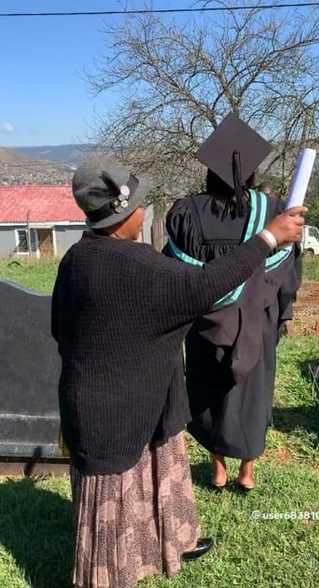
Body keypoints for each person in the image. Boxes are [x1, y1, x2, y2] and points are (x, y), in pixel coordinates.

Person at [52, 157, 304, 587]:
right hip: (114, 409)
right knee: (111, 498)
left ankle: (172, 542)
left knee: (160, 463)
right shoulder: (140, 267)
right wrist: (267, 237)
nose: (145, 212)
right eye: (142, 205)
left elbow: (60, 326)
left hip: (140, 394)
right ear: (125, 215)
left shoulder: (78, 257)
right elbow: (206, 285)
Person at [164, 114, 303, 491]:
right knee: (252, 394)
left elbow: (174, 270)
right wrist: (280, 309)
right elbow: (286, 269)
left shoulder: (186, 213)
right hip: (256, 319)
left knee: (209, 390)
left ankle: (218, 469)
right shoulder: (271, 212)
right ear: (252, 173)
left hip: (205, 322)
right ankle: (247, 472)